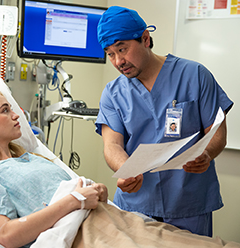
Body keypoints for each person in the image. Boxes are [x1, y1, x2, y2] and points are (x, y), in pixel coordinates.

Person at [95, 6, 233, 237]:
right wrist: (125, 170)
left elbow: (217, 131)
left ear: (145, 39)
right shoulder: (113, 93)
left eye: (122, 49)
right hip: (136, 204)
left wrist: (207, 154)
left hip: (188, 202)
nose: (118, 61)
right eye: (110, 53)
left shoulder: (195, 76)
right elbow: (112, 145)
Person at [0, 89, 108, 248]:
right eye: (5, 110)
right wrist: (74, 201)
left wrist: (96, 192)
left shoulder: (33, 158)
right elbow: (5, 235)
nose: (16, 115)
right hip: (82, 236)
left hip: (104, 220)